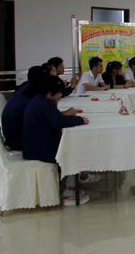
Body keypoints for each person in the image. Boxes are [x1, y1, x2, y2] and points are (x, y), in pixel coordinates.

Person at [22, 75, 93, 205]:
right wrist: (80, 119)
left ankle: (71, 182)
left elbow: (55, 118)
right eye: (59, 92)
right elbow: (59, 121)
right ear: (50, 93)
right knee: (73, 149)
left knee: (70, 145)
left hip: (35, 145)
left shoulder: (39, 100)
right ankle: (70, 192)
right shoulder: (44, 104)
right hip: (39, 149)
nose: (60, 95)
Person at [2, 66, 54, 150]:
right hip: (19, 140)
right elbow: (48, 116)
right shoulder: (33, 94)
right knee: (55, 132)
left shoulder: (26, 88)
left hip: (12, 137)